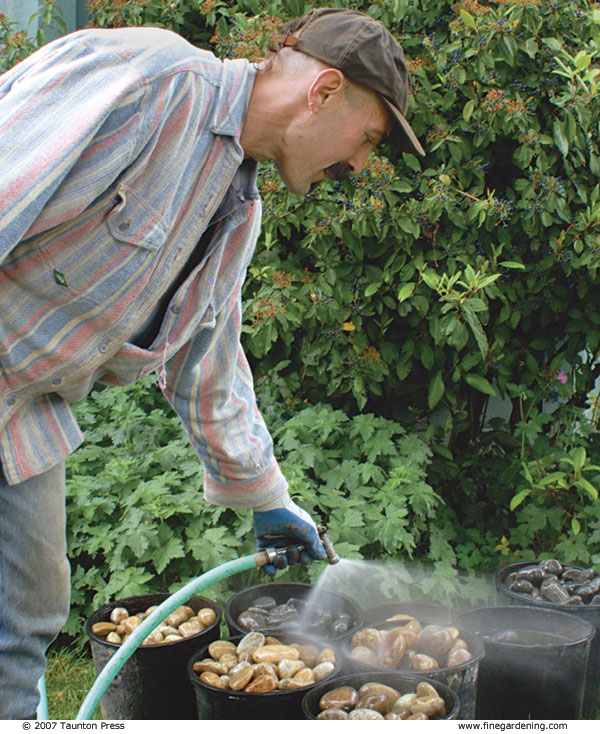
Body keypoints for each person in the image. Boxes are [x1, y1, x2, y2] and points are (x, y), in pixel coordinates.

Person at [0, 6, 424, 719]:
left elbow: (209, 366)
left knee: (26, 622)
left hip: (23, 417)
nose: (359, 164)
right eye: (369, 137)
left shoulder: (235, 209)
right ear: (323, 91)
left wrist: (266, 498)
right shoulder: (148, 83)